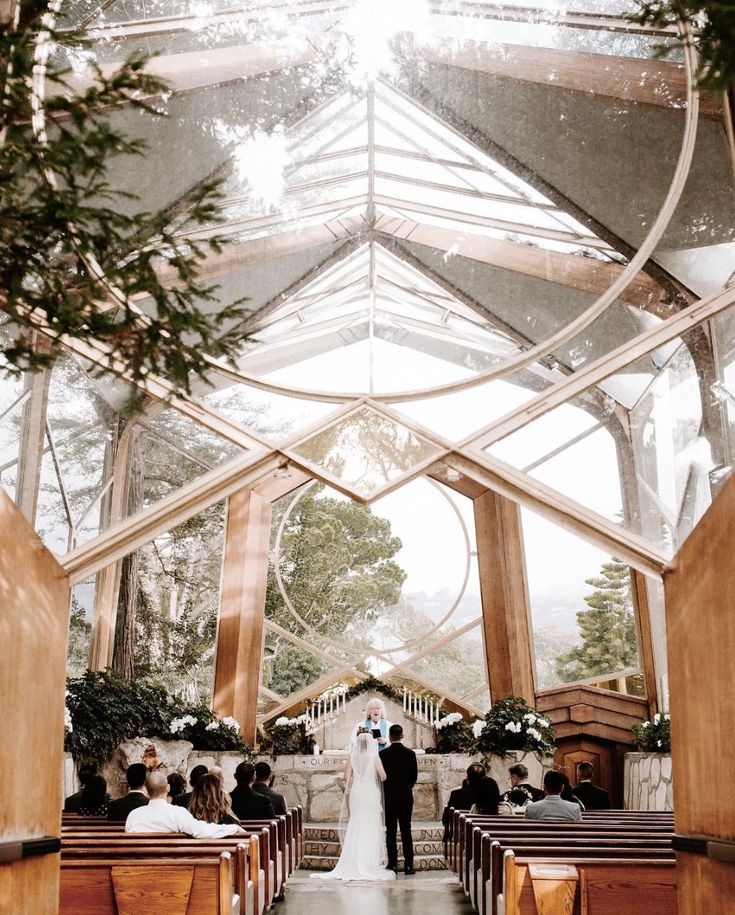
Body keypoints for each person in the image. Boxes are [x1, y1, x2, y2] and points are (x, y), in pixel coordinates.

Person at [314, 731, 396, 882]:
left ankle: (353, 861)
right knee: (370, 825)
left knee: (356, 824)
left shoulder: (352, 756)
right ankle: (368, 862)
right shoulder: (374, 756)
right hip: (371, 793)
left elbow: (346, 778)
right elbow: (383, 776)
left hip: (357, 793)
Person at [126, 770, 244, 837]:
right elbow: (201, 831)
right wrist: (234, 828)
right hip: (171, 871)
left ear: (146, 790)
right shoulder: (177, 813)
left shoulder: (133, 815)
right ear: (168, 788)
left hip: (135, 871)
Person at [380, 724, 418, 875]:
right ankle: (409, 865)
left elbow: (381, 778)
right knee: (406, 830)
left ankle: (392, 864)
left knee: (390, 832)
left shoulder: (383, 754)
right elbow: (414, 777)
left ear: (389, 737)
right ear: (402, 736)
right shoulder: (410, 754)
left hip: (389, 798)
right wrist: (406, 788)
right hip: (405, 797)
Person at [442, 762, 486, 836]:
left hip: (461, 834)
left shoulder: (456, 794)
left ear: (468, 777)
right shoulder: (489, 795)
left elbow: (447, 819)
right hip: (485, 833)